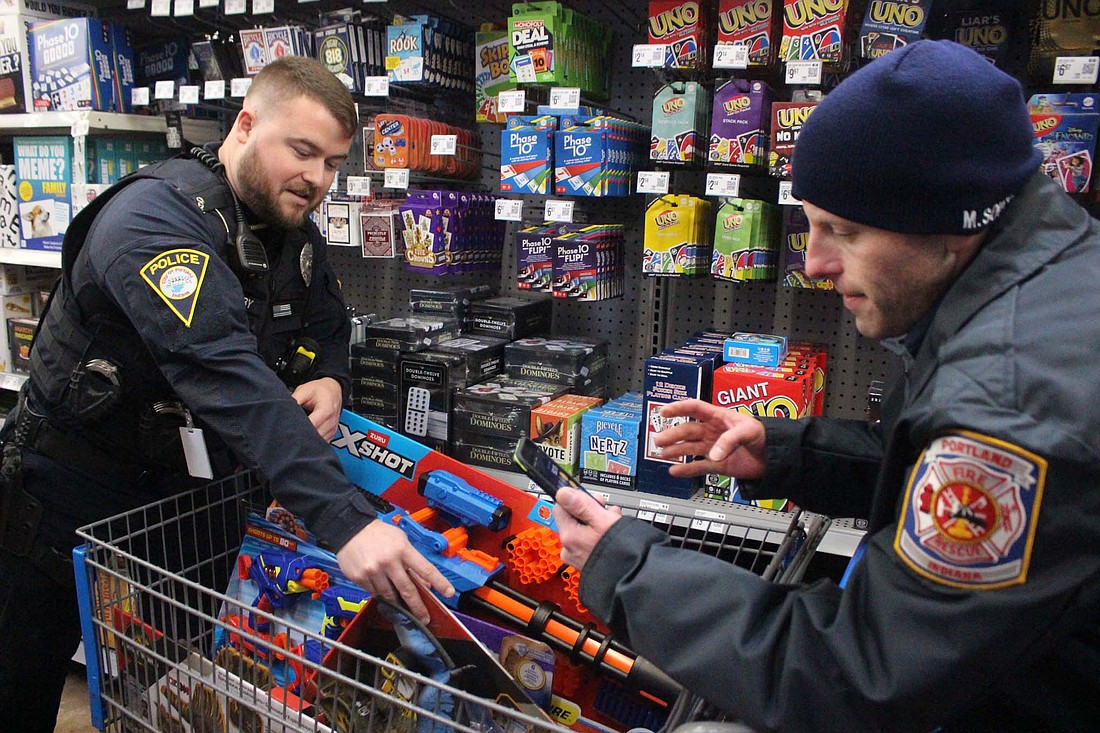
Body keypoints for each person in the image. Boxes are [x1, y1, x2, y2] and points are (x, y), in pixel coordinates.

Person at [554, 40, 1100, 733]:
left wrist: (627, 569)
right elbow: (936, 467)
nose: (812, 262)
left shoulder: (1009, 398)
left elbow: (857, 678)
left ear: (950, 228)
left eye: (843, 231)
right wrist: (787, 452)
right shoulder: (1043, 270)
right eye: (810, 223)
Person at [0, 56, 453, 733]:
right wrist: (346, 520)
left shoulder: (282, 226)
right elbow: (223, 370)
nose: (318, 179)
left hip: (182, 502)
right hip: (63, 493)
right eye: (302, 152)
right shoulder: (154, 220)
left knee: (162, 691)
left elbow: (328, 320)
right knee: (17, 679)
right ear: (245, 124)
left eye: (331, 163)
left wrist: (329, 375)